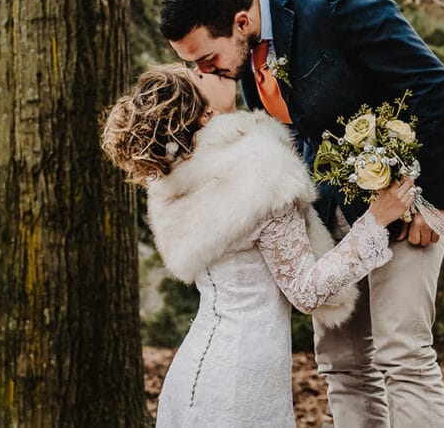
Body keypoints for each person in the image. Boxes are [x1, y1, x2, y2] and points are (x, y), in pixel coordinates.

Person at [159, 0, 444, 427]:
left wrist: (435, 201)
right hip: (329, 216)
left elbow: (430, 82)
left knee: (403, 355)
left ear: (241, 22)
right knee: (342, 366)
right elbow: (298, 128)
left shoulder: (335, 1)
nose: (203, 73)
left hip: (404, 203)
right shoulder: (242, 57)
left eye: (206, 58)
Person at [101, 64, 418, 426]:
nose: (203, 66)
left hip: (193, 375)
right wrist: (377, 220)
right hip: (241, 384)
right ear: (205, 114)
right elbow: (306, 290)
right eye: (197, 75)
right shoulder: (261, 172)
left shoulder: (179, 181)